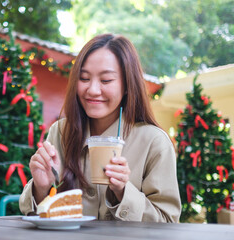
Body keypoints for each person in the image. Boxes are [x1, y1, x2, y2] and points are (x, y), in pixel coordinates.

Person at [19, 33, 181, 222]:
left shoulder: (154, 142)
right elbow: (36, 215)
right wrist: (41, 187)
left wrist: (122, 191)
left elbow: (168, 222)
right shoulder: (61, 131)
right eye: (84, 78)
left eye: (106, 81)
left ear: (127, 85)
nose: (93, 90)